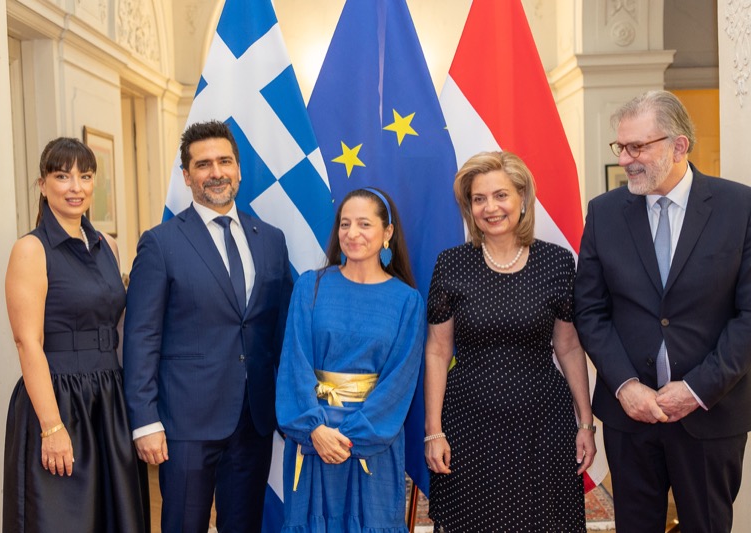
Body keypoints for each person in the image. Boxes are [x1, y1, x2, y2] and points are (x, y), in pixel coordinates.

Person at [575, 90, 751, 532]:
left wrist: (696, 388)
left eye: (638, 147)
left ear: (678, 146)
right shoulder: (604, 213)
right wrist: (625, 386)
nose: (625, 159)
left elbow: (748, 316)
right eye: (621, 147)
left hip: (710, 411)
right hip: (630, 417)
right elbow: (590, 311)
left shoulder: (740, 207)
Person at [122, 120, 293, 532]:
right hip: (185, 425)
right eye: (203, 164)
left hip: (253, 421)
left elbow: (283, 332)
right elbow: (141, 338)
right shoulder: (160, 243)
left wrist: (293, 405)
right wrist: (145, 420)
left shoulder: (271, 240)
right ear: (187, 176)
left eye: (224, 161)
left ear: (238, 170)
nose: (216, 172)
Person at [424, 151, 596, 532]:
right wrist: (433, 430)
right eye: (479, 199)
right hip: (469, 425)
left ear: (522, 198)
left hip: (542, 425)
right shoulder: (451, 264)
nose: (490, 208)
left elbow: (569, 347)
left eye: (501, 195)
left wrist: (585, 423)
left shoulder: (556, 262)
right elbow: (437, 350)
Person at [2, 137, 148, 532]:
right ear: (43, 184)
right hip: (60, 400)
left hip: (109, 398)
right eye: (62, 176)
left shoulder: (108, 246)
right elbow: (27, 342)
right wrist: (51, 427)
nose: (75, 187)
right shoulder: (30, 249)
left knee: (115, 517)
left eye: (85, 176)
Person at [276, 187, 425, 532]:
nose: (352, 233)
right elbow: (294, 366)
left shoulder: (407, 301)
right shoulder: (310, 286)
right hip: (312, 444)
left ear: (387, 232)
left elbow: (399, 385)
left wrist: (352, 437)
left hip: (372, 450)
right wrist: (315, 430)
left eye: (364, 224)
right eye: (345, 224)